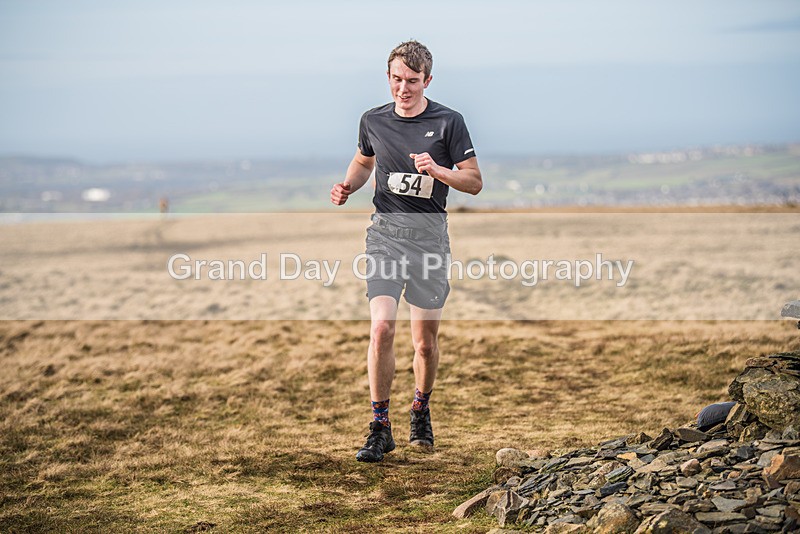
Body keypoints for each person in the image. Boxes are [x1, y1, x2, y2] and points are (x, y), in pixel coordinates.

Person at [330, 40, 482, 462]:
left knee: (426, 344)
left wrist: (438, 171)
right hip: (385, 236)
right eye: (397, 80)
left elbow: (473, 181)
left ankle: (421, 408)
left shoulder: (450, 123)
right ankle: (380, 426)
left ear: (427, 80)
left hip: (430, 241)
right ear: (389, 78)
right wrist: (347, 185)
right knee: (381, 328)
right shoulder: (372, 120)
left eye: (412, 81)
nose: (403, 89)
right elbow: (364, 162)